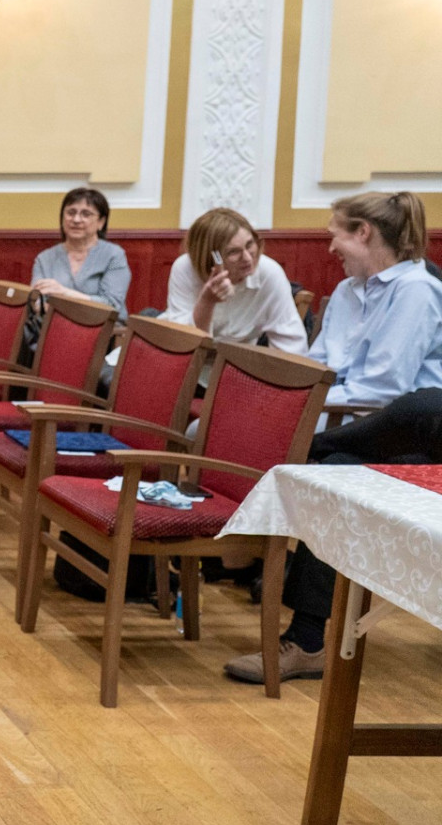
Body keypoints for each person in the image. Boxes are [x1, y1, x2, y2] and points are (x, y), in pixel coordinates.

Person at [223, 191, 442, 686]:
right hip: (345, 423)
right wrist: (284, 395)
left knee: (332, 470)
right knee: (310, 460)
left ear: (364, 232)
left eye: (335, 235)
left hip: (408, 437)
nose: (330, 248)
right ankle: (259, 579)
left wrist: (302, 406)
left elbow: (386, 389)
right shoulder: (347, 291)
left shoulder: (416, 290)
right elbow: (319, 364)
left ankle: (304, 636)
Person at [163, 207, 307, 353]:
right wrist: (206, 302)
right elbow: (181, 342)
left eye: (249, 245)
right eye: (233, 252)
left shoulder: (269, 272)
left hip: (239, 358)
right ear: (211, 258)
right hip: (189, 353)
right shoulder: (185, 268)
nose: (247, 258)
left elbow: (291, 344)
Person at [31, 186, 131, 312]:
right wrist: (38, 306)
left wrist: (65, 293)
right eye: (71, 213)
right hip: (53, 322)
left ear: (101, 222)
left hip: (102, 323)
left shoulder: (114, 255)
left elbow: (112, 305)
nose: (76, 220)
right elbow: (36, 301)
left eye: (86, 214)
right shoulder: (44, 258)